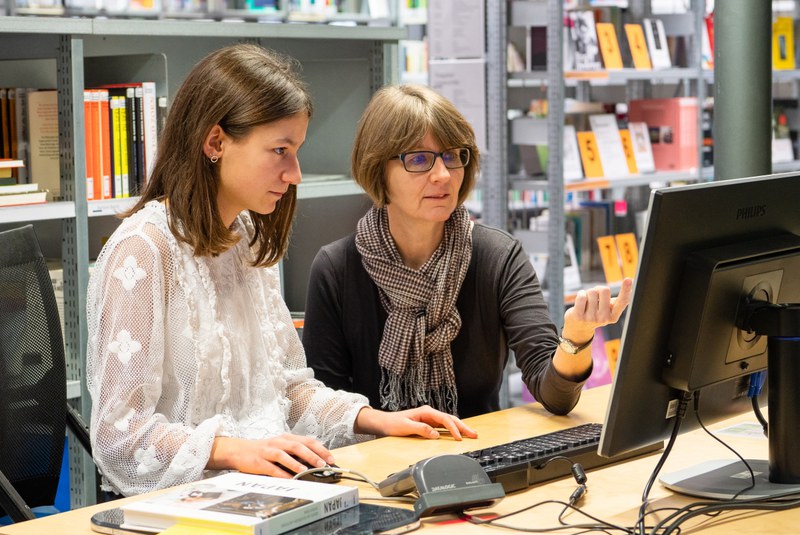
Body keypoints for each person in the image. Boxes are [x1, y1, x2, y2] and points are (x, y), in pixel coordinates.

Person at [86, 46, 475, 498]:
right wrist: (233, 451)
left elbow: (287, 392)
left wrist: (377, 420)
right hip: (180, 508)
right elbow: (119, 436)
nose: (295, 174)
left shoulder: (245, 238)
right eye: (280, 151)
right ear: (215, 143)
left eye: (296, 151)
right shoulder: (142, 250)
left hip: (263, 489)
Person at [302, 84, 632, 420]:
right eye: (418, 159)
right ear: (378, 171)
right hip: (376, 450)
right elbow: (324, 408)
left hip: (478, 446)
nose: (443, 175)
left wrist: (576, 337)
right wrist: (385, 426)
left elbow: (555, 397)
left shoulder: (498, 257)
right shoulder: (337, 268)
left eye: (452, 156)